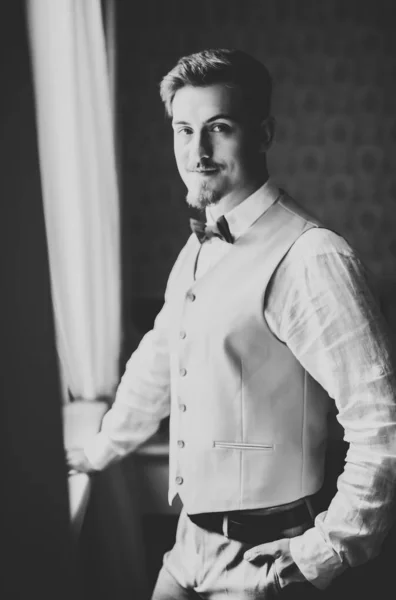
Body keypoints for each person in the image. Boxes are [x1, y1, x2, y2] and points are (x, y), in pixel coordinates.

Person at [66, 48, 396, 599]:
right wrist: (99, 450)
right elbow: (158, 360)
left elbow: (381, 425)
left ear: (264, 134)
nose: (197, 152)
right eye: (184, 129)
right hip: (187, 544)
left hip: (267, 562)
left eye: (219, 128)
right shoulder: (197, 247)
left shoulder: (312, 258)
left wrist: (326, 550)